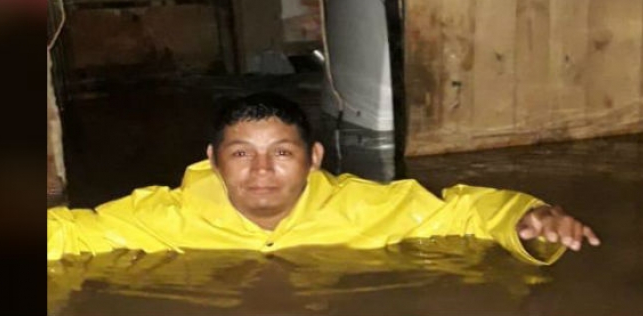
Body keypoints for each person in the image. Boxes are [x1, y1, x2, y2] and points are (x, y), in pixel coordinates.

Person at [47, 93, 600, 265]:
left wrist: (528, 218)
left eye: (281, 152)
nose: (261, 170)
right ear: (213, 161)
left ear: (313, 157)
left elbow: (463, 211)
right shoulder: (168, 214)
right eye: (241, 153)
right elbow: (76, 232)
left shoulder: (363, 207)